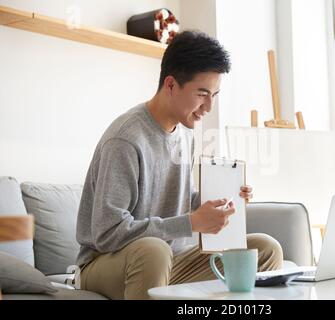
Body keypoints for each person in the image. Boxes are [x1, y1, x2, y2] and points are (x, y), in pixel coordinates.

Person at [75, 30, 283, 300]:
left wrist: (225, 201)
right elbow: (107, 233)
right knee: (153, 251)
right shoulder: (125, 139)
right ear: (171, 85)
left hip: (169, 260)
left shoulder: (185, 133)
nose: (208, 107)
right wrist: (190, 224)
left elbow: (183, 200)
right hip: (106, 264)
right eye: (202, 94)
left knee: (266, 248)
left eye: (215, 95)